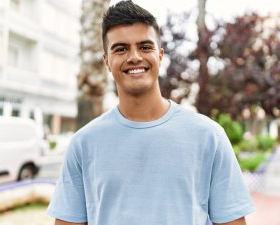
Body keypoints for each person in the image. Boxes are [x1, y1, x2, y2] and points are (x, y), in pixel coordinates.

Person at [47, 1, 254, 224]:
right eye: (121, 48)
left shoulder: (209, 136)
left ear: (160, 55)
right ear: (107, 61)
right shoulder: (83, 143)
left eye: (145, 47)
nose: (134, 56)